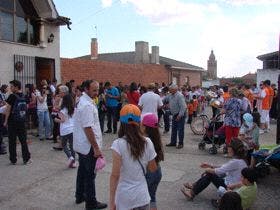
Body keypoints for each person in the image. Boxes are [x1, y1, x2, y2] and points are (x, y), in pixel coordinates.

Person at [110, 104, 157, 210]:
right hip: (142, 196)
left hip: (124, 198)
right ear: (139, 121)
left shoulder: (117, 144)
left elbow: (115, 176)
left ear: (121, 122)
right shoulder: (148, 142)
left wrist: (112, 201)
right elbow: (153, 168)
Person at [73, 80, 107, 210]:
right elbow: (88, 128)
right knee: (90, 175)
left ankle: (80, 195)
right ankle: (91, 203)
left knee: (82, 171)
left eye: (98, 89)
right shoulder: (86, 105)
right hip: (87, 146)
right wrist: (96, 148)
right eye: (94, 90)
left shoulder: (84, 101)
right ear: (86, 89)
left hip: (82, 145)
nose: (97, 92)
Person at [180, 139, 247, 200]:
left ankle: (192, 193)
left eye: (228, 148)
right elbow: (224, 166)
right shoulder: (241, 160)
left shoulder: (235, 162)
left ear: (232, 149)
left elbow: (219, 171)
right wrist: (210, 165)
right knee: (211, 173)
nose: (227, 149)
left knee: (210, 174)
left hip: (231, 188)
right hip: (233, 185)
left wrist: (208, 169)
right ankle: (194, 186)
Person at [4, 80, 31, 165]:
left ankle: (13, 159)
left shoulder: (12, 96)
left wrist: (5, 121)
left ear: (16, 87)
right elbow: (26, 108)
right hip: (22, 121)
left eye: (11, 86)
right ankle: (26, 158)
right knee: (23, 140)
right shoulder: (24, 95)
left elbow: (7, 110)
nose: (10, 88)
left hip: (12, 121)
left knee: (12, 141)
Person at [141, 113, 164, 210]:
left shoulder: (145, 141)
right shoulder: (156, 138)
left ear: (145, 127)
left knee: (144, 199)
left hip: (149, 172)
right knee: (152, 197)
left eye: (141, 125)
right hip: (157, 171)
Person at [54, 94, 76, 168]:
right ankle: (74, 162)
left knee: (64, 145)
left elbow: (62, 120)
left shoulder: (62, 110)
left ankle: (70, 157)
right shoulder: (73, 109)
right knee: (72, 146)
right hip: (72, 129)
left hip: (65, 130)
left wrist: (56, 119)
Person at [165, 84, 186, 149]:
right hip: (174, 114)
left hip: (180, 114)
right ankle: (173, 142)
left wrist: (179, 115)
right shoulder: (170, 95)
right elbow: (164, 99)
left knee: (180, 129)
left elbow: (183, 107)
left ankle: (180, 143)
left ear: (175, 90)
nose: (169, 91)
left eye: (170, 89)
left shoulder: (179, 96)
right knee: (174, 129)